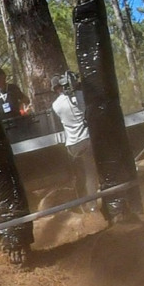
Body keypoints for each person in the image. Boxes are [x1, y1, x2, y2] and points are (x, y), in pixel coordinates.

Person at [52, 71, 97, 205]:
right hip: (86, 140)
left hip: (72, 146)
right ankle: (93, 205)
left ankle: (82, 203)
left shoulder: (55, 105)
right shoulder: (80, 97)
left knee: (81, 175)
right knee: (91, 174)